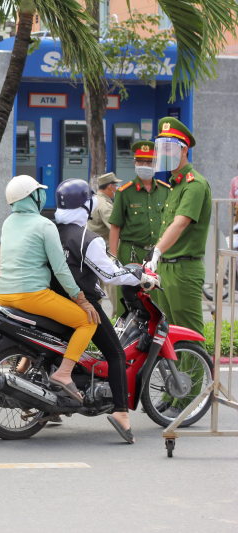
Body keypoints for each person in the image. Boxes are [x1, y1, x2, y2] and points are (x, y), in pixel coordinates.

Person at [52, 179, 160, 443]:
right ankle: (122, 413)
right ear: (86, 205)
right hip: (83, 304)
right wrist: (140, 278)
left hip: (53, 303)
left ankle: (49, 409)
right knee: (115, 354)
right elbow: (109, 274)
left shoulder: (52, 231)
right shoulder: (87, 239)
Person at [0, 175, 99, 403]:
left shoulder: (7, 223)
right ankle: (64, 373)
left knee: (48, 332)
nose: (42, 195)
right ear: (32, 197)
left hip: (4, 296)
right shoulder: (44, 225)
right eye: (38, 192)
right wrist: (80, 298)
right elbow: (61, 268)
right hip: (32, 295)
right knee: (87, 321)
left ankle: (30, 392)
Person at [144, 117, 211, 419]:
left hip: (184, 270)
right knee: (167, 334)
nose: (165, 153)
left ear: (184, 150)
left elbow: (180, 224)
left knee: (188, 336)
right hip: (167, 270)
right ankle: (176, 391)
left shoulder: (194, 185)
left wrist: (157, 251)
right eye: (162, 147)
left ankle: (189, 399)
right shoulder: (173, 185)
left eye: (170, 147)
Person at [108, 141, 170, 317]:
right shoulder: (125, 192)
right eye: (141, 162)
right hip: (131, 252)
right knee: (128, 301)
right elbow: (115, 227)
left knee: (156, 301)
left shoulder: (166, 191)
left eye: (149, 162)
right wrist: (113, 258)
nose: (145, 166)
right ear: (135, 163)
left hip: (157, 253)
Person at [87, 172, 121, 317]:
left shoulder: (94, 200)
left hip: (93, 252)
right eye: (115, 185)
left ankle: (95, 320)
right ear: (110, 186)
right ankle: (118, 317)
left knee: (96, 292)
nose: (116, 188)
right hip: (106, 252)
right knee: (114, 290)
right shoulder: (106, 205)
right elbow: (115, 227)